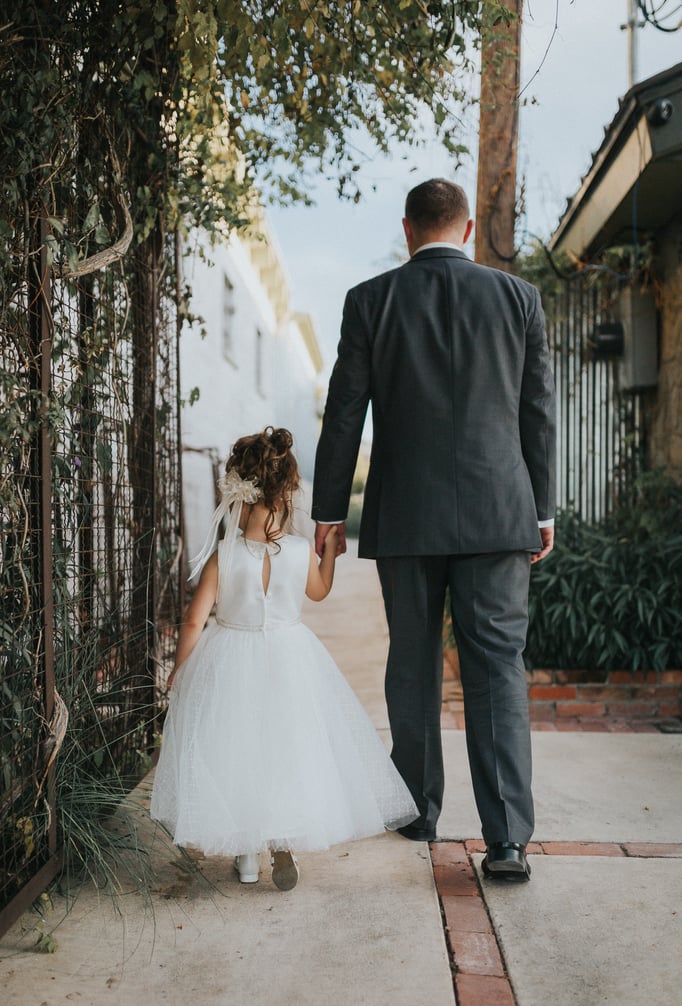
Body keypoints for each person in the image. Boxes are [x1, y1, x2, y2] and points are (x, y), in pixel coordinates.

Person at [312, 180, 556, 882]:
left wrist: (329, 512)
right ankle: (506, 839)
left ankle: (419, 808)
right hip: (498, 515)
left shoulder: (370, 300)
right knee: (497, 670)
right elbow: (537, 410)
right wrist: (541, 510)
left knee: (413, 664)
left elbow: (343, 415)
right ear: (469, 228)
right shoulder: (519, 299)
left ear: (408, 230)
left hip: (406, 517)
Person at [150, 426, 417, 890]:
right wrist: (329, 552)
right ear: (286, 495)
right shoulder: (296, 551)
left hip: (231, 656)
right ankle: (282, 843)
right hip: (291, 658)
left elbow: (194, 621)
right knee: (286, 747)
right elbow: (319, 590)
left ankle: (247, 858)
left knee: (238, 751)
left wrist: (181, 668)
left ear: (241, 493)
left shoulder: (223, 555)